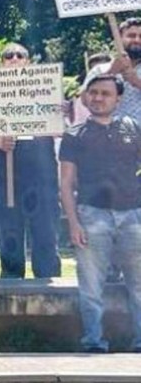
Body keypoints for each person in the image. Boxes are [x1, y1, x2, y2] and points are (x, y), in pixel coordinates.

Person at [59, 74, 141, 353]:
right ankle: (94, 341)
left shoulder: (134, 128)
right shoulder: (74, 134)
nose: (98, 98)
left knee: (139, 285)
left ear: (118, 99)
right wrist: (73, 223)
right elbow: (67, 184)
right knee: (91, 287)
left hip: (133, 215)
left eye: (105, 93)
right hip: (91, 215)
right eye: (93, 93)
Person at [0, 43, 61, 279]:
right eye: (8, 55)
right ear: (1, 62)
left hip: (41, 170)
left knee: (45, 229)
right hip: (6, 170)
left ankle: (48, 278)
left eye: (20, 55)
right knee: (10, 229)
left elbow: (59, 129)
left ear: (28, 62)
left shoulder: (46, 87)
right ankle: (10, 279)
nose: (14, 58)